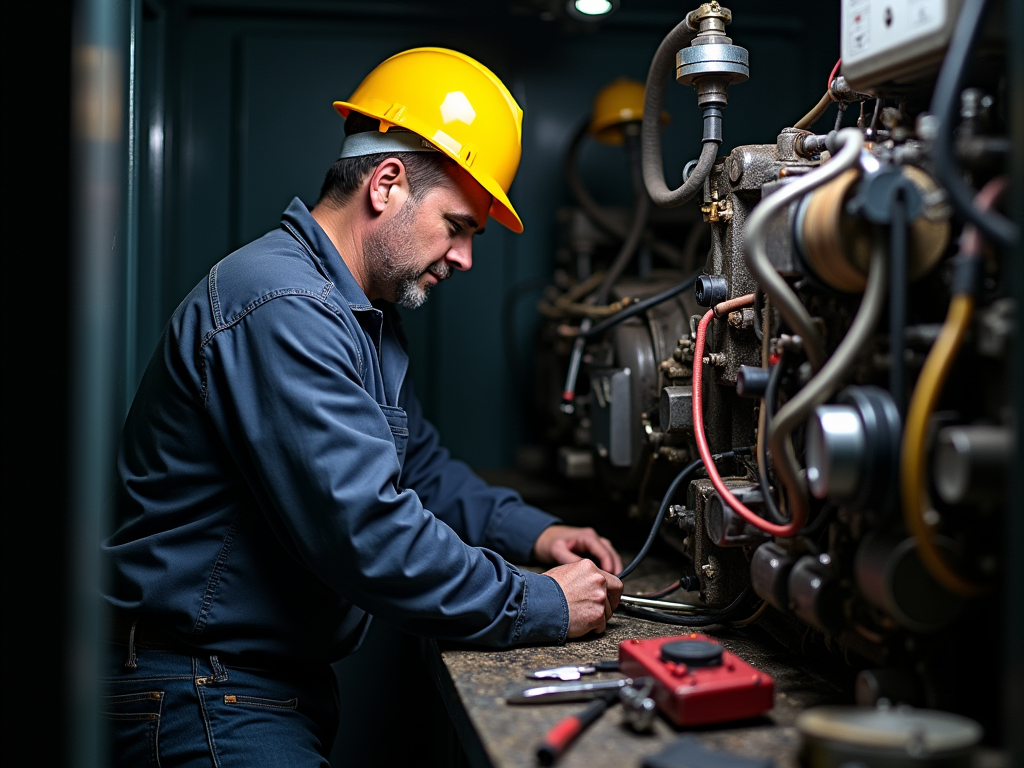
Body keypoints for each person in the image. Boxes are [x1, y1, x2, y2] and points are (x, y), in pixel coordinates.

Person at [101, 47, 623, 766]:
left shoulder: (354, 313)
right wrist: (541, 603)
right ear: (386, 184)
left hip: (248, 687)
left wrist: (536, 534)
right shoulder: (283, 307)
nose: (465, 258)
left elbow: (422, 470)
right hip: (200, 692)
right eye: (459, 225)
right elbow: (369, 532)